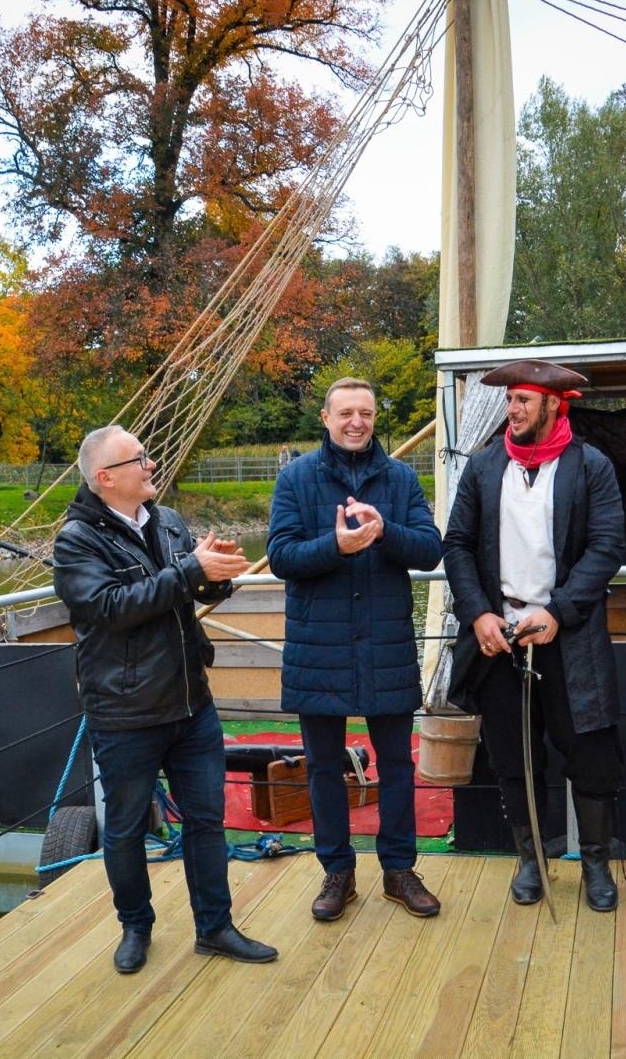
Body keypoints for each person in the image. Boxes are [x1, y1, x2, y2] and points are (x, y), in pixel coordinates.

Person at [52, 424, 278, 974]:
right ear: (106, 478)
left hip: (191, 703)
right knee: (126, 828)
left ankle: (215, 927)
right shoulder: (76, 540)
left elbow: (188, 590)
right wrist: (190, 570)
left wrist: (215, 576)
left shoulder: (169, 521)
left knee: (206, 820)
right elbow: (110, 607)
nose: (151, 464)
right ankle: (136, 927)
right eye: (139, 458)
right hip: (125, 712)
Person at [442, 360, 626, 912]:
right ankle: (530, 860)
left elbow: (607, 547)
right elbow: (457, 544)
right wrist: (479, 615)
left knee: (591, 755)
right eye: (510, 400)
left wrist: (559, 612)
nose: (513, 409)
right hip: (499, 638)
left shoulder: (590, 466)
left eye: (523, 399)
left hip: (570, 637)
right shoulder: (484, 466)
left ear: (553, 404)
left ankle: (595, 864)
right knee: (513, 755)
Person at [268, 377, 444, 920]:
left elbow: (430, 550)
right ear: (326, 418)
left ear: (373, 418)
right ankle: (337, 872)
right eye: (345, 412)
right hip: (318, 646)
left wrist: (385, 531)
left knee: (396, 764)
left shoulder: (400, 478)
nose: (356, 422)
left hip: (386, 643)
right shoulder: (296, 478)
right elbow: (281, 556)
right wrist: (336, 546)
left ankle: (399, 870)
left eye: (365, 412)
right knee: (323, 767)